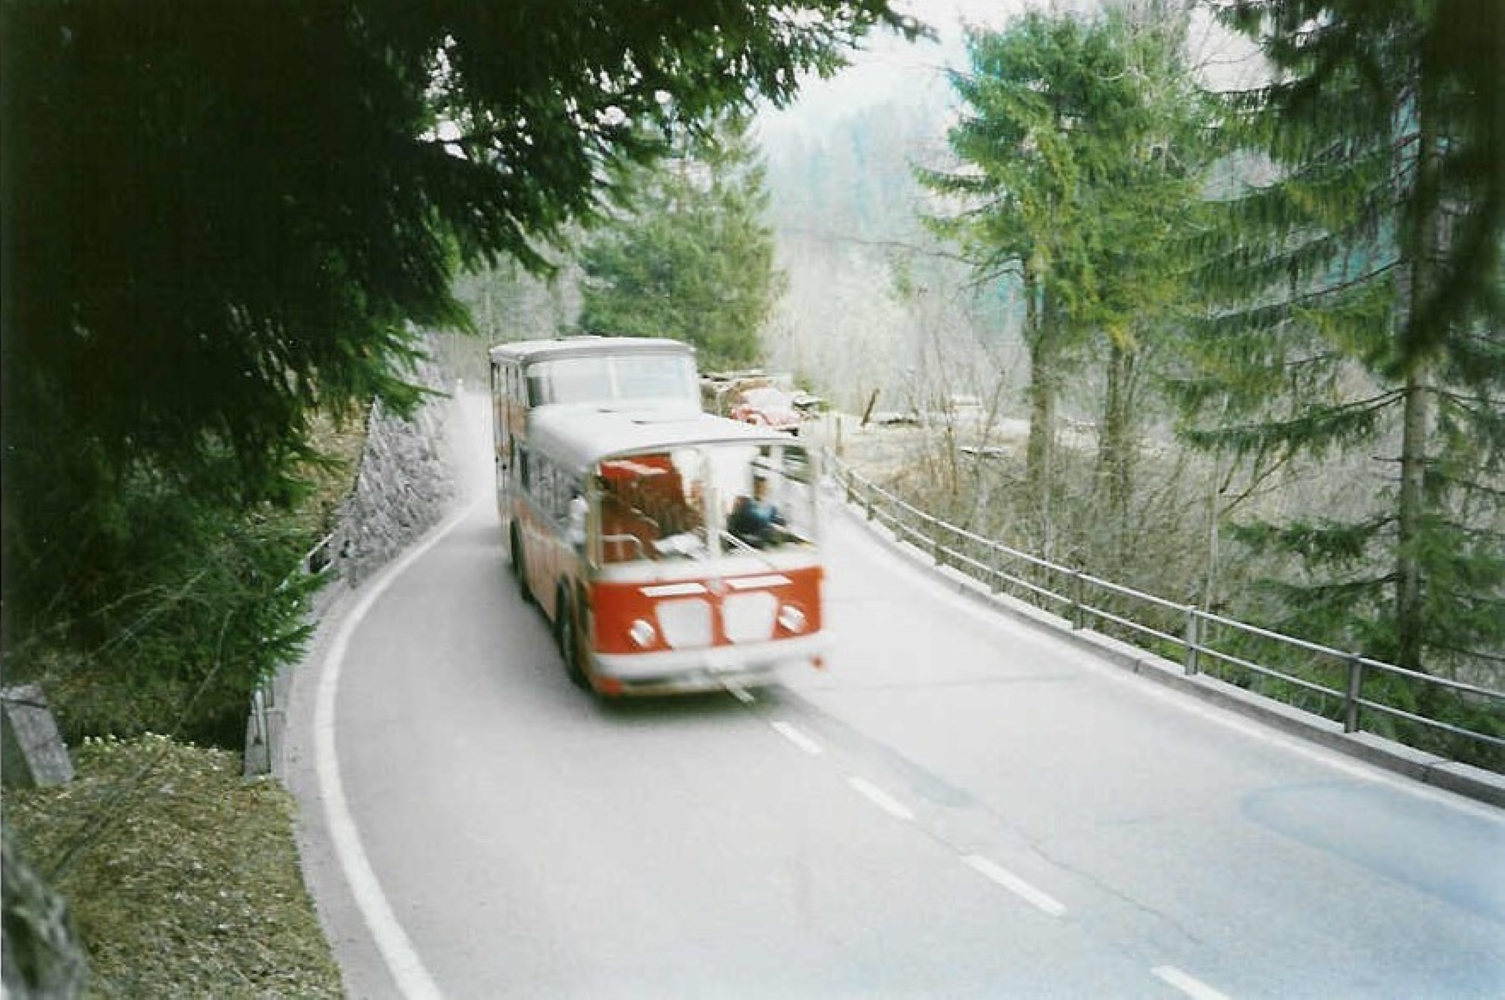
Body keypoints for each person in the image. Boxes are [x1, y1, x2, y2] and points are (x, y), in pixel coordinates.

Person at [728, 473, 785, 548]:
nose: (762, 490)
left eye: (764, 488)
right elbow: (733, 526)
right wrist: (746, 538)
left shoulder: (771, 508)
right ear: (753, 488)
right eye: (758, 487)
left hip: (764, 542)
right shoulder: (743, 503)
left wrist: (781, 522)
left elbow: (776, 522)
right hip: (746, 543)